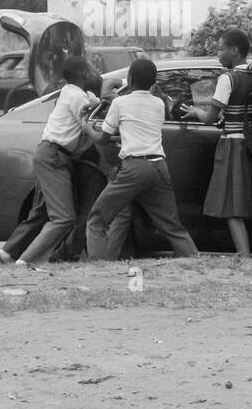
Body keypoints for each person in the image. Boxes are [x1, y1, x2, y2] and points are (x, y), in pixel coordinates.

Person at [180, 29, 252, 257]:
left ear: (234, 51)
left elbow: (210, 118)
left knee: (232, 207)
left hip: (234, 146)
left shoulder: (227, 78)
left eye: (220, 48)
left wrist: (197, 111)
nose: (218, 54)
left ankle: (244, 258)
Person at [84, 57, 198, 259]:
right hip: (158, 167)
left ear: (129, 78)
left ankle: (98, 269)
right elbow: (139, 125)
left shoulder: (119, 103)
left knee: (97, 219)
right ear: (154, 82)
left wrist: (86, 128)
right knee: (171, 225)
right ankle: (194, 262)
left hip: (133, 169)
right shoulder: (158, 104)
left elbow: (102, 139)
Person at [7, 56, 100, 266]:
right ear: (85, 74)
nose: (96, 71)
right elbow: (89, 125)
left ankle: (17, 255)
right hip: (54, 156)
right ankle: (25, 261)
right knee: (63, 217)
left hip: (52, 155)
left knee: (45, 211)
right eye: (92, 68)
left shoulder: (71, 92)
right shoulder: (77, 98)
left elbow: (93, 101)